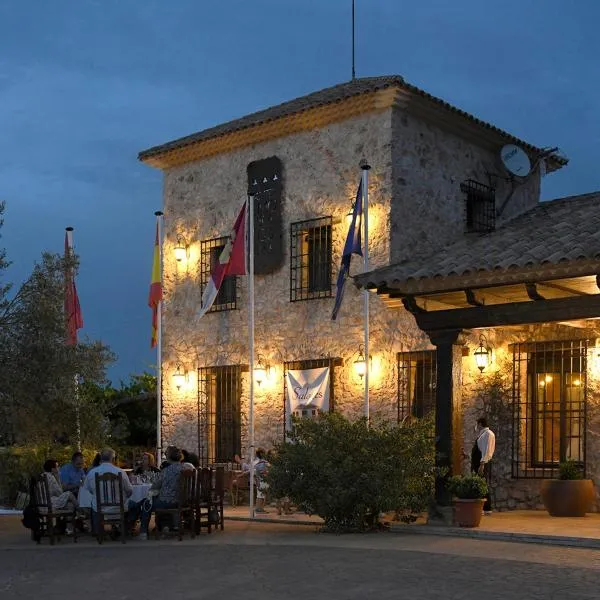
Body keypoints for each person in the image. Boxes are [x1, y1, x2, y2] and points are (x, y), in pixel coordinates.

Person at [139, 446, 187, 540]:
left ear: (169, 457)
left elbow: (155, 486)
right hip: (183, 501)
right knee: (153, 501)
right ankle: (166, 526)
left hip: (169, 501)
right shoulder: (185, 468)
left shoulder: (166, 471)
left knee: (147, 503)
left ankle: (143, 532)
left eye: (165, 454)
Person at [83, 448, 134, 534]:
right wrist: (124, 498)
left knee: (92, 503)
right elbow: (129, 491)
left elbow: (88, 489)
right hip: (119, 507)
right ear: (113, 459)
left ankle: (97, 531)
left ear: (100, 458)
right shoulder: (120, 472)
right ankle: (125, 528)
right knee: (135, 504)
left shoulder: (92, 472)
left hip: (99, 508)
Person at [42, 459, 78, 535]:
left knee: (70, 505)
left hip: (42, 503)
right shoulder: (51, 477)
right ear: (52, 469)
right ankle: (80, 509)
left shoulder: (42, 476)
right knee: (69, 494)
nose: (59, 469)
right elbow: (60, 493)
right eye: (57, 467)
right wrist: (58, 477)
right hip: (49, 503)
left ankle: (69, 529)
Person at [471, 417, 496, 514]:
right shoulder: (483, 434)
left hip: (482, 463)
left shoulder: (488, 434)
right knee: (480, 484)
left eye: (477, 424)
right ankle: (484, 507)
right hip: (479, 462)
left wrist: (482, 464)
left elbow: (487, 450)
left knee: (482, 484)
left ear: (480, 424)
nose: (476, 426)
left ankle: (487, 507)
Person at [234, 448, 270, 513]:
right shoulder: (262, 462)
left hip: (259, 480)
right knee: (261, 494)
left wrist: (240, 463)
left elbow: (249, 469)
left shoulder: (257, 462)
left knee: (261, 494)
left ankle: (260, 508)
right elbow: (251, 470)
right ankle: (258, 509)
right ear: (262, 454)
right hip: (262, 480)